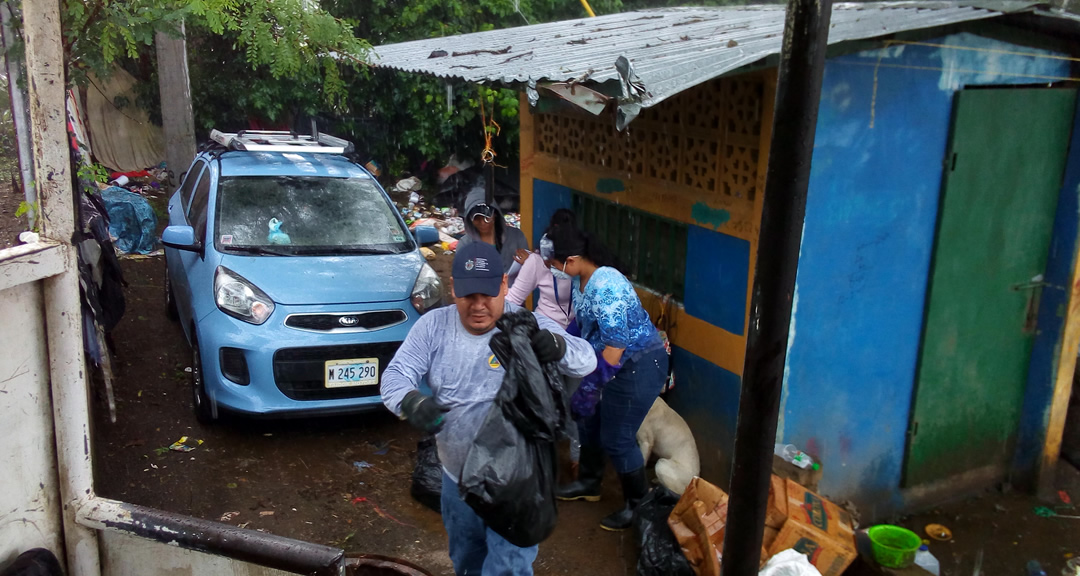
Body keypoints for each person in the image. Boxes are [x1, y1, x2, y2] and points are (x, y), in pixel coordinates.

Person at [381, 241, 596, 576]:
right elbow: (395, 376)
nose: (478, 306)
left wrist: (558, 345)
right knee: (467, 562)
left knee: (508, 568)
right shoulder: (433, 327)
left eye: (488, 294)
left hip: (519, 482)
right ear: (453, 290)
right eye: (469, 296)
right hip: (458, 481)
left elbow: (586, 359)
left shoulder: (526, 324)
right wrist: (411, 401)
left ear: (505, 286)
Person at [546, 223, 669, 532]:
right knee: (588, 420)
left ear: (572, 260)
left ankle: (637, 503)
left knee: (618, 436)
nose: (555, 270)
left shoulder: (607, 285)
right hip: (614, 361)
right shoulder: (581, 280)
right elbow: (582, 323)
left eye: (556, 264)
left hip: (639, 363)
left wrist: (592, 383)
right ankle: (589, 483)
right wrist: (562, 341)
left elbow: (617, 343)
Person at [458, 187, 529, 277]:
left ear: (495, 214)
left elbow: (530, 276)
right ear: (469, 220)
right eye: (477, 219)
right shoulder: (465, 245)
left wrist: (528, 264)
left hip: (513, 290)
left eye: (487, 217)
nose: (482, 223)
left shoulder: (516, 237)